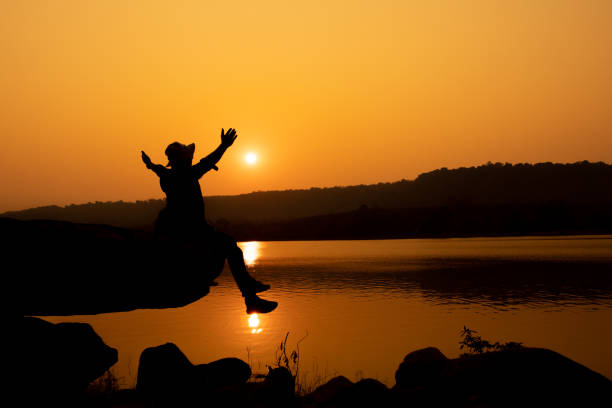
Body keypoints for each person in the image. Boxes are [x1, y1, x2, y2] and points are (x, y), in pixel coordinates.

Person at [141, 128, 277, 314]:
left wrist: (149, 165)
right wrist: (224, 146)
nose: (190, 159)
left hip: (179, 228)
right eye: (187, 157)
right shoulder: (187, 174)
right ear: (182, 160)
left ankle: (250, 296)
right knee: (230, 246)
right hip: (190, 230)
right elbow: (209, 161)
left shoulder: (169, 175)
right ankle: (250, 297)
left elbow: (157, 168)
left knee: (230, 246)